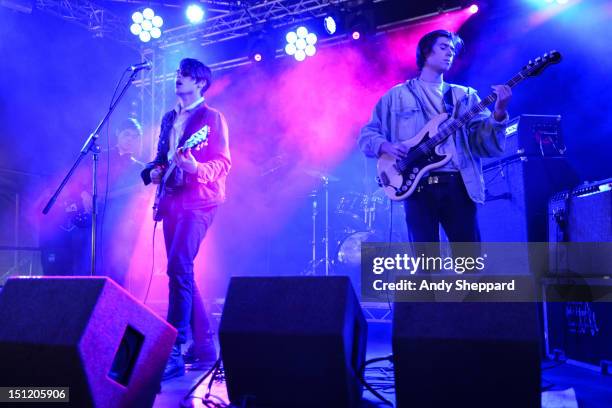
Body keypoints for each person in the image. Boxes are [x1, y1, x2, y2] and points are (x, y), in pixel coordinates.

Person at [358, 30, 512, 245]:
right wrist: (386, 146)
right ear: (425, 52)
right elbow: (367, 135)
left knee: (469, 262)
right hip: (416, 186)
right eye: (443, 47)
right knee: (425, 265)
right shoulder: (396, 95)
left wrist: (499, 112)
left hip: (459, 185)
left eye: (452, 49)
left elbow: (483, 142)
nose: (450, 52)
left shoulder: (465, 96)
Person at [141, 58, 231, 380]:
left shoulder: (212, 118)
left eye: (186, 75)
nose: (179, 78)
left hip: (201, 202)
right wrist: (152, 172)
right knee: (182, 271)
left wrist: (196, 168)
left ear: (201, 83)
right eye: (178, 74)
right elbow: (162, 160)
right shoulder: (169, 118)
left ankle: (174, 349)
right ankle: (205, 347)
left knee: (178, 265)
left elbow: (222, 162)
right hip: (172, 201)